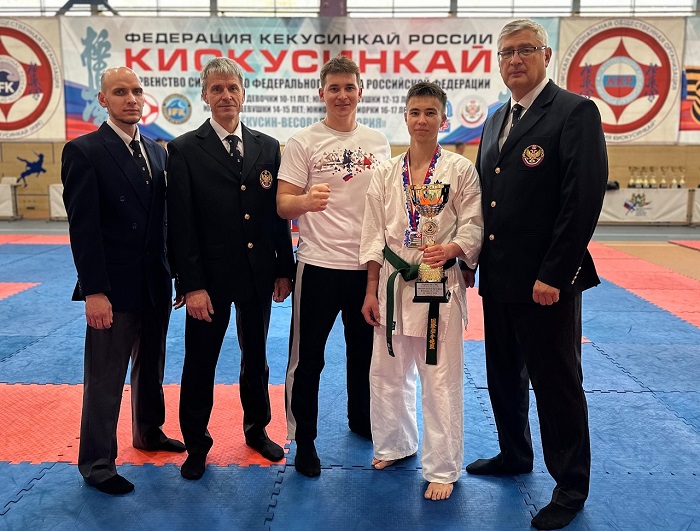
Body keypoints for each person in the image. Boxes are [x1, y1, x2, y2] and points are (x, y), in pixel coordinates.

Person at [467, 19, 608, 530]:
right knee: (503, 374)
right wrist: (469, 259)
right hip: (500, 275)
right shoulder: (495, 120)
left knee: (556, 382)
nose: (515, 59)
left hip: (546, 281)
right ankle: (514, 453)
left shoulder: (574, 112)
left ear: (546, 55)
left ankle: (570, 485)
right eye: (506, 52)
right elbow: (484, 198)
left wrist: (556, 272)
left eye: (525, 49)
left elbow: (581, 198)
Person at [166, 57, 294, 480]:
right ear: (204, 95)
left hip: (258, 273)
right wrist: (191, 285)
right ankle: (196, 444)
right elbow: (181, 224)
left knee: (256, 358)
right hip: (209, 280)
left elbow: (276, 216)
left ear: (243, 93)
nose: (225, 95)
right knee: (200, 363)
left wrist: (284, 268)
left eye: (232, 88)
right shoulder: (184, 149)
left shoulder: (267, 146)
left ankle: (257, 430)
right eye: (217, 88)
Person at [61, 66, 185, 496]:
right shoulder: (84, 151)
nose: (131, 99)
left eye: (136, 90)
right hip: (112, 287)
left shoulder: (157, 152)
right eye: (120, 92)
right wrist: (94, 291)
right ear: (103, 99)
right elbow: (84, 229)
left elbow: (165, 223)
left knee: (151, 366)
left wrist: (177, 275)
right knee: (105, 377)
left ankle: (148, 431)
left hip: (155, 280)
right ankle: (97, 462)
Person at [359, 82, 483, 501]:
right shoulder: (384, 173)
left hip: (438, 285)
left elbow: (474, 224)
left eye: (431, 112)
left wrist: (452, 249)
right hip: (393, 286)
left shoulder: (460, 170)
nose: (422, 120)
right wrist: (371, 290)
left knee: (440, 379)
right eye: (415, 112)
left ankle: (443, 468)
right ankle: (395, 444)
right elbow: (373, 235)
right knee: (387, 373)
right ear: (406, 118)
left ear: (443, 120)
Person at [276, 56, 391, 477]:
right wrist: (305, 202)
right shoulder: (303, 141)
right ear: (321, 92)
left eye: (349, 87)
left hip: (366, 270)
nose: (342, 95)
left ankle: (361, 419)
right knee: (308, 360)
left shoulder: (378, 142)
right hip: (318, 266)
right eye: (334, 88)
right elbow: (282, 203)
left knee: (365, 356)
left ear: (361, 91)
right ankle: (303, 440)